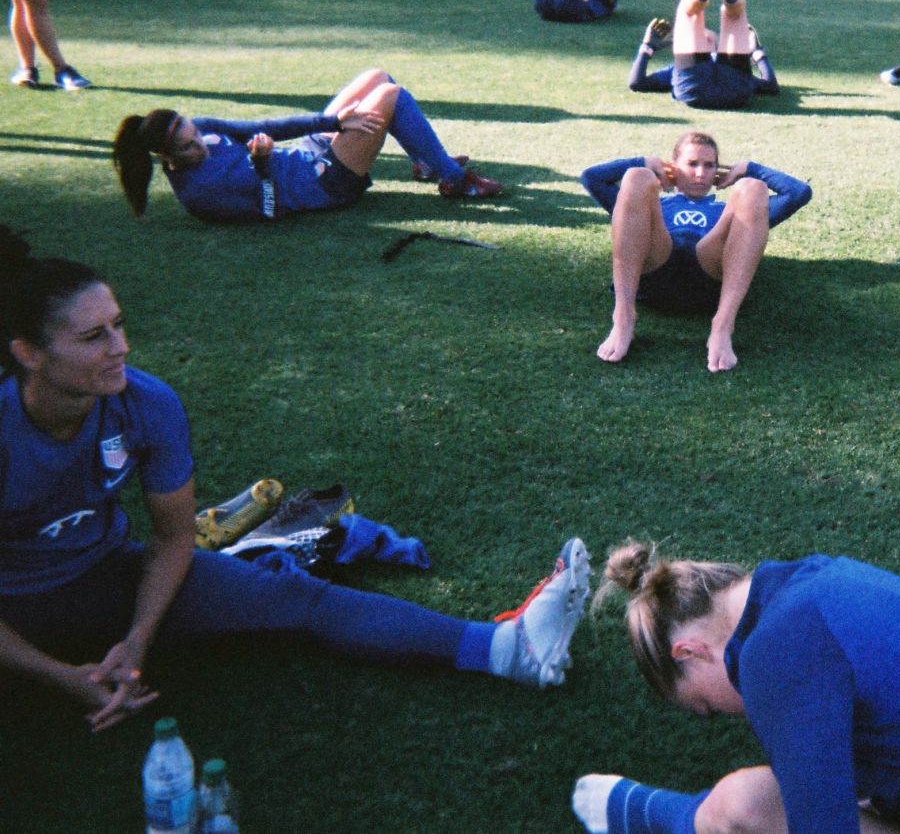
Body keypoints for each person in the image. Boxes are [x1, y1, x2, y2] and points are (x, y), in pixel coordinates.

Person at [0, 228, 591, 733]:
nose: (120, 347)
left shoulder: (147, 402)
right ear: (28, 353)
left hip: (105, 575)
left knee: (296, 599)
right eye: (92, 336)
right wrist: (58, 676)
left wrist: (138, 640)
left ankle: (506, 649)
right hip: (13, 606)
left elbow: (175, 537)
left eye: (119, 325)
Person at [570, 541, 900, 834]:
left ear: (689, 652)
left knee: (741, 806)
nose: (728, 713)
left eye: (708, 707)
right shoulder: (820, 578)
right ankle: (672, 815)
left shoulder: (776, 654)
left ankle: (666, 817)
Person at [112, 68, 503, 222]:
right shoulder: (199, 195)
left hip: (308, 154)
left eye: (193, 132)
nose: (200, 142)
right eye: (188, 146)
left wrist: (333, 122)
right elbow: (267, 212)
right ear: (166, 159)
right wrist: (262, 166)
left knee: (376, 76)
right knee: (390, 95)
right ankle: (454, 179)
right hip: (323, 184)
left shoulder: (201, 129)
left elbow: (265, 126)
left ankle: (426, 162)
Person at [580, 132, 810, 373]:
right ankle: (623, 318)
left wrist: (749, 169)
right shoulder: (652, 203)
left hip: (712, 271)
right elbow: (591, 178)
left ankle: (722, 327)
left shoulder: (731, 210)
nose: (701, 174)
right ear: (673, 166)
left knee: (752, 188)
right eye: (691, 164)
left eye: (709, 165)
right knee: (637, 177)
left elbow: (798, 193)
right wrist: (644, 163)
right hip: (654, 266)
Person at [628, 0, 778, 111]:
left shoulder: (673, 69)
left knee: (690, 11)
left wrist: (648, 47)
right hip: (734, 91)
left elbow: (636, 83)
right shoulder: (716, 58)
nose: (705, 35)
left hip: (696, 90)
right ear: (717, 47)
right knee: (735, 16)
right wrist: (756, 51)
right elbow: (771, 87)